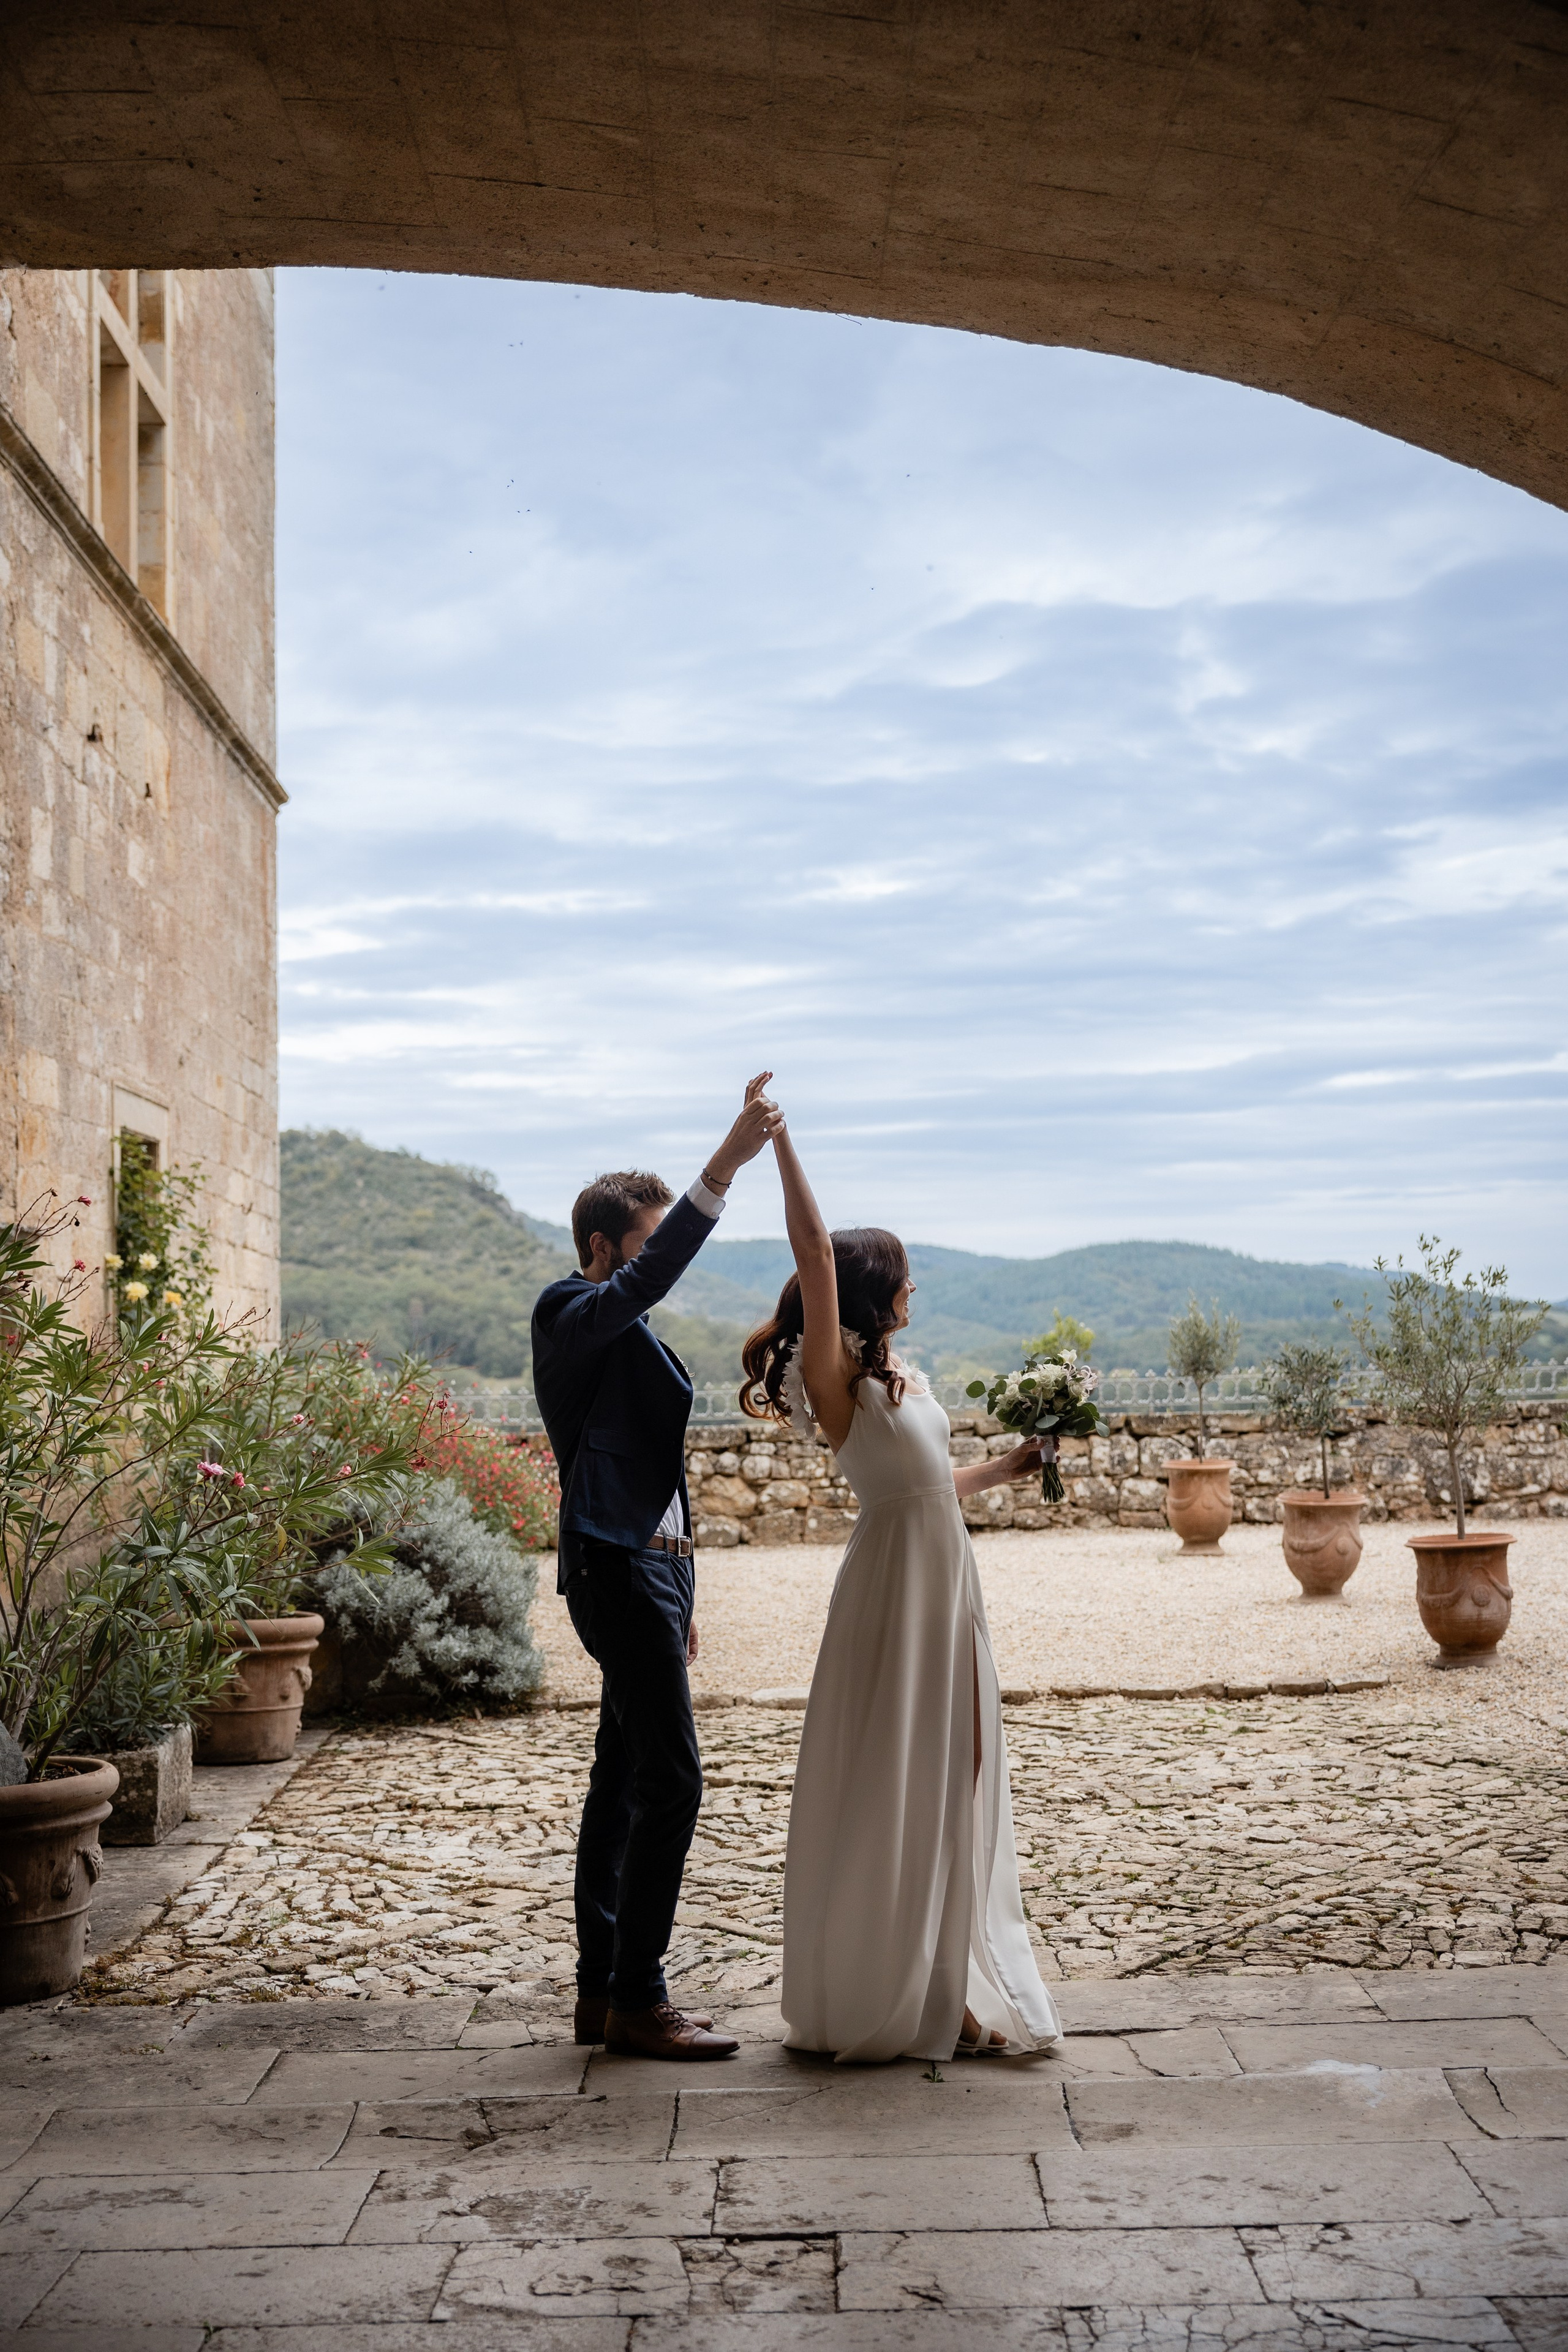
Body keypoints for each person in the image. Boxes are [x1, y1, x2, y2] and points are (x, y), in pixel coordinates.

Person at [742, 1107, 1065, 2064]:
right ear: (870, 1289)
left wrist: (1007, 1467)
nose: (915, 1283)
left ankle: (947, 1980)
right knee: (899, 1779)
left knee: (963, 1772)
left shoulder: (901, 1378)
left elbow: (927, 1483)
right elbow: (812, 1248)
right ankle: (911, 1995)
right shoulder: (834, 1375)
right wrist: (779, 1139)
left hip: (948, 1581)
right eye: (904, 1271)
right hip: (893, 1589)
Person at [532, 1072, 782, 2061]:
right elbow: (647, 1283)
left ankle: (602, 1993)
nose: (651, 1266)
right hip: (618, 1571)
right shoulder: (568, 1311)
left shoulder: (620, 1334)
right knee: (674, 1782)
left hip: (653, 1574)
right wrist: (725, 1166)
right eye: (643, 1244)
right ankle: (640, 1997)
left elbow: (651, 1474)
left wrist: (682, 1590)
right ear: (602, 1249)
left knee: (623, 1781)